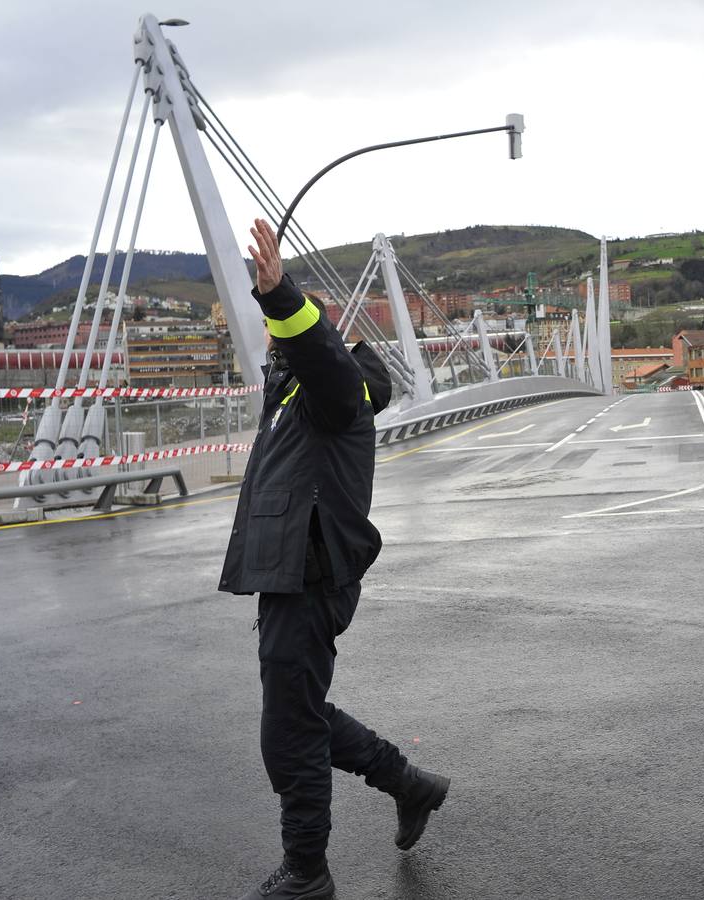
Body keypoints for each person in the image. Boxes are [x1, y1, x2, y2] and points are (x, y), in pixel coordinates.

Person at [220, 219, 449, 900]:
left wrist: (282, 297)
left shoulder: (334, 396)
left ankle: (307, 872)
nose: (270, 341)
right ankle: (411, 785)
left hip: (311, 571)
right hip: (290, 571)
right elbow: (300, 365)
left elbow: (322, 358)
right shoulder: (292, 397)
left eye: (279, 333)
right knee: (300, 713)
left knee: (288, 730)